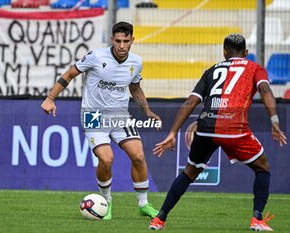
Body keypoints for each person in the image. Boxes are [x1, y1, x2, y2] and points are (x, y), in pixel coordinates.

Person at [149, 34, 287, 231]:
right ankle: (257, 219)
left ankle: (159, 219)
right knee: (263, 167)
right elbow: (265, 90)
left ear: (224, 52)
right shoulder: (255, 68)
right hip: (234, 129)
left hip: (205, 128)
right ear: (246, 53)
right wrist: (274, 120)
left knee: (189, 172)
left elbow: (191, 102)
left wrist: (172, 133)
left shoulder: (212, 70)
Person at [41, 21, 160, 220]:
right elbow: (69, 74)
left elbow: (135, 88)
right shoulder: (96, 56)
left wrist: (147, 111)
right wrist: (50, 98)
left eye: (126, 41)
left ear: (132, 41)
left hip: (120, 115)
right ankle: (106, 202)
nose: (122, 46)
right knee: (106, 159)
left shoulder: (136, 62)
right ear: (112, 40)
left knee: (138, 156)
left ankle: (143, 204)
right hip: (94, 115)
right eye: (118, 41)